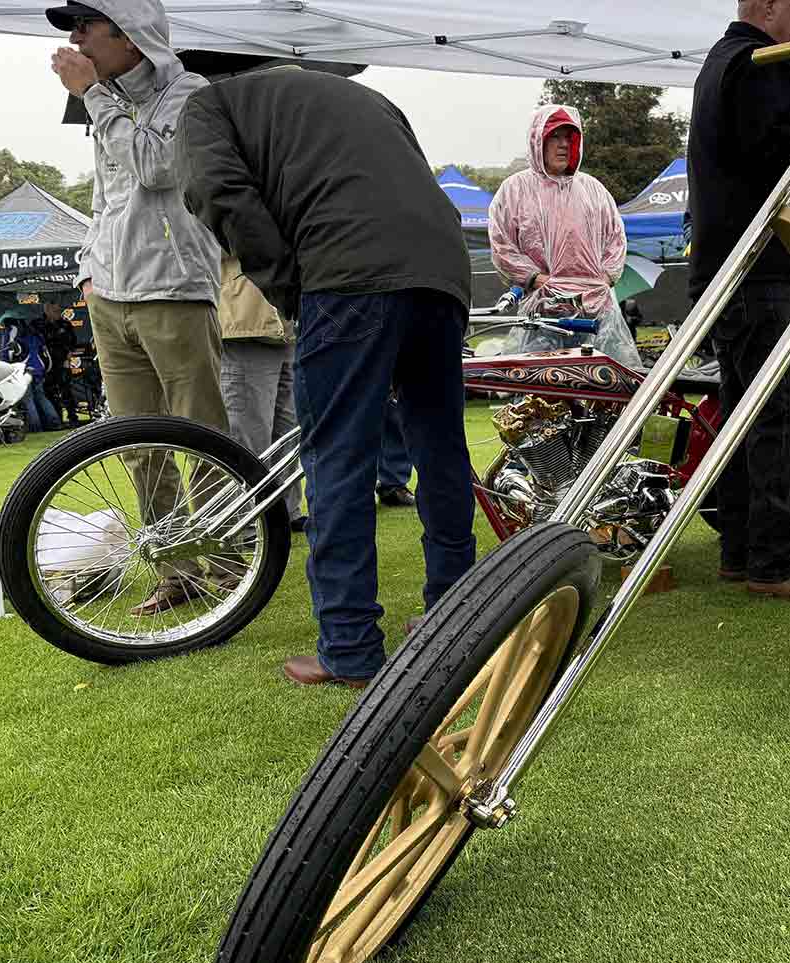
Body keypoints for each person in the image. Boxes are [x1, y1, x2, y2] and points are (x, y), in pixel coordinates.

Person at [176, 66, 477, 688]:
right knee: (441, 448)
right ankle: (458, 618)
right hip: (443, 268)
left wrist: (291, 290)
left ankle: (349, 647)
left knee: (338, 457)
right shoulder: (363, 97)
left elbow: (219, 195)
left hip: (346, 270)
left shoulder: (205, 107)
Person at [47, 0, 228, 615]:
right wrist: (89, 272)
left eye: (84, 26)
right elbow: (108, 199)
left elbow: (154, 168)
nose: (76, 39)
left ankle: (232, 563)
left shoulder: (190, 92)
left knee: (202, 436)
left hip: (174, 290)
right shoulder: (110, 98)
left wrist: (94, 98)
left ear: (127, 34)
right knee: (136, 443)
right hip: (112, 293)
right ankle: (178, 570)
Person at [689, 0, 790, 598]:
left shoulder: (719, 61)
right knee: (777, 413)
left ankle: (739, 551)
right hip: (759, 271)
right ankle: (773, 562)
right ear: (771, 4)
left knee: (741, 411)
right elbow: (788, 166)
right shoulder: (768, 62)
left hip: (726, 272)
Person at [488, 105, 642, 368]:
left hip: (595, 311)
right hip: (544, 312)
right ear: (538, 140)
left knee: (602, 389)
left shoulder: (593, 190)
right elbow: (502, 244)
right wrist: (536, 279)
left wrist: (604, 278)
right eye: (554, 137)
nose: (563, 145)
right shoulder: (515, 190)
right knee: (542, 392)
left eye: (568, 137)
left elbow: (616, 239)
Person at [217, 255, 306, 532]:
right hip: (243, 324)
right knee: (249, 436)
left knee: (288, 433)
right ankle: (247, 522)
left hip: (287, 327)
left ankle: (288, 511)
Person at [41, 302, 81, 425]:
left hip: (62, 362)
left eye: (59, 311)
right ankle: (56, 418)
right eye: (55, 311)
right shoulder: (40, 324)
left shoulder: (65, 324)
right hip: (47, 364)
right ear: (47, 310)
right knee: (50, 391)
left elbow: (73, 341)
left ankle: (73, 417)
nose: (58, 313)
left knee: (66, 390)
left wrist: (69, 354)